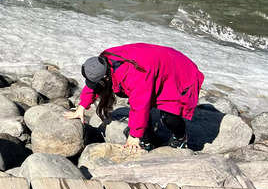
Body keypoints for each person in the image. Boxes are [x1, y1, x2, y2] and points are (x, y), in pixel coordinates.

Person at [65, 43, 204, 151]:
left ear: (105, 77)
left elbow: (140, 105)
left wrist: (134, 136)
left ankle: (181, 138)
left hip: (178, 71)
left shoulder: (133, 77)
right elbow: (94, 84)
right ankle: (148, 139)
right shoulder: (103, 62)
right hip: (155, 65)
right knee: (147, 107)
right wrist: (82, 106)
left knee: (169, 115)